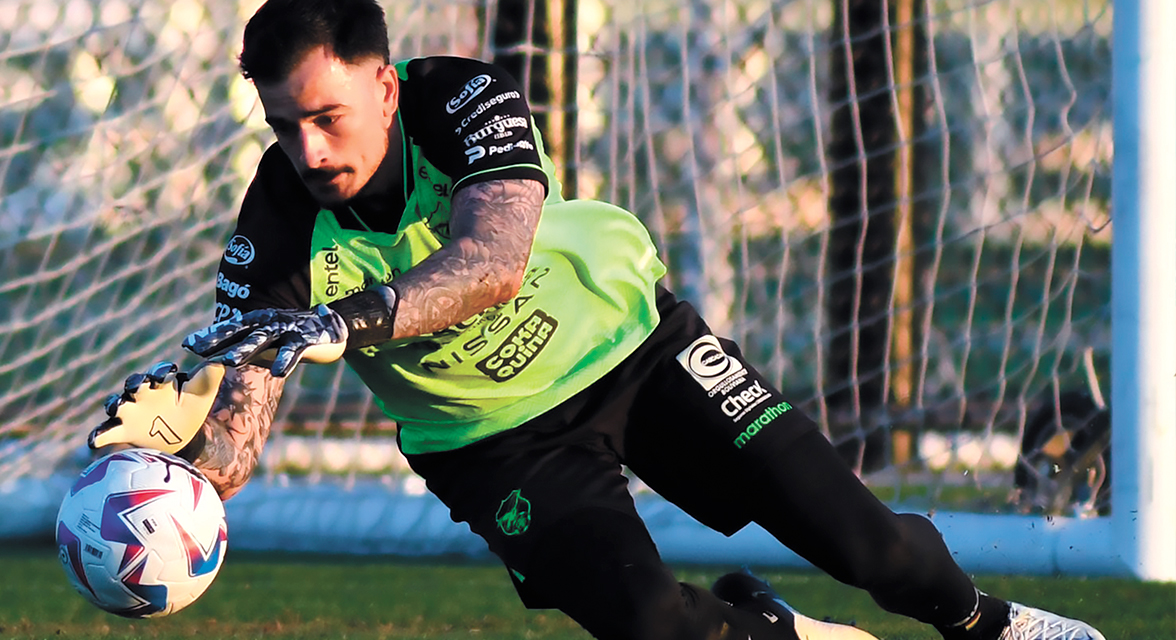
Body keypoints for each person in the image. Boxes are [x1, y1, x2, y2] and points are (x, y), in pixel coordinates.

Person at [87, 1, 1107, 639]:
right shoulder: (273, 223)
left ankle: (983, 621)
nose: (306, 151)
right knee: (647, 623)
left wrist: (351, 321)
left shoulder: (464, 100)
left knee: (867, 547)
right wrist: (186, 468)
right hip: (494, 447)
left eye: (326, 117)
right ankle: (768, 629)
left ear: (386, 86)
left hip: (633, 350)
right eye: (282, 125)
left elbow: (488, 265)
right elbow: (244, 415)